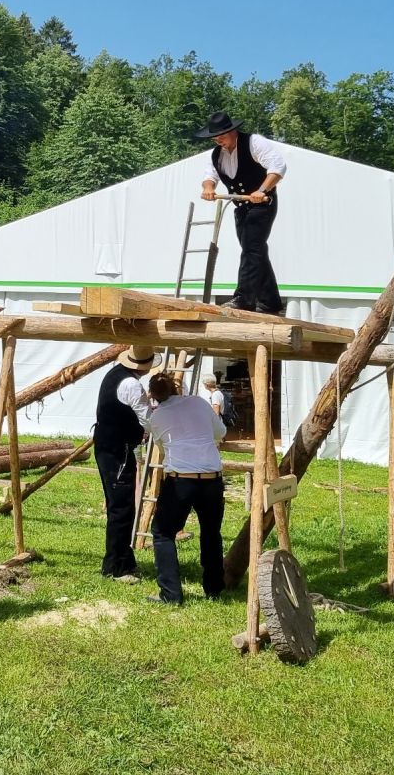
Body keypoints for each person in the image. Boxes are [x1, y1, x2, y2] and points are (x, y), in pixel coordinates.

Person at [144, 370, 228, 605]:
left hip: (181, 478)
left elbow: (162, 444)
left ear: (153, 396)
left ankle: (170, 593)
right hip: (212, 477)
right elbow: (220, 432)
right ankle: (214, 588)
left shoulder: (157, 417)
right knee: (211, 533)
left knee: (162, 533)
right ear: (176, 388)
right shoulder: (200, 402)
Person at [196, 111, 287, 314]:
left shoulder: (254, 142)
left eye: (222, 135)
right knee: (255, 251)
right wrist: (208, 188)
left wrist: (262, 190)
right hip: (241, 207)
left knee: (251, 249)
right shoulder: (216, 154)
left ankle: (244, 298)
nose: (219, 140)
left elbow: (278, 166)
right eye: (215, 137)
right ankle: (270, 302)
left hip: (263, 204)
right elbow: (209, 176)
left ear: (233, 131)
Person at [94, 346, 157, 580]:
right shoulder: (131, 384)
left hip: (109, 446)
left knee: (119, 506)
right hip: (116, 449)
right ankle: (115, 567)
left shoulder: (114, 374)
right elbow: (147, 420)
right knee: (121, 508)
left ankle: (124, 560)